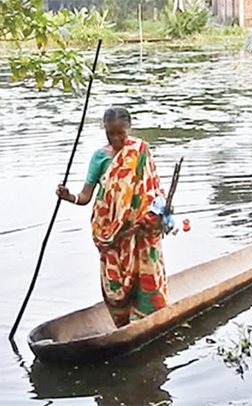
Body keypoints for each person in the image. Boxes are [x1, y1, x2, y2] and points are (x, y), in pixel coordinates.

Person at [56, 106, 168, 328]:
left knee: (142, 274)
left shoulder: (140, 151)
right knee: (115, 281)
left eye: (120, 133)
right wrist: (69, 197)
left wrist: (151, 217)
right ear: (104, 130)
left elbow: (153, 191)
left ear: (128, 129)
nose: (116, 138)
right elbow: (86, 196)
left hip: (139, 230)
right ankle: (123, 323)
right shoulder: (99, 157)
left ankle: (145, 320)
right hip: (111, 233)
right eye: (111, 133)